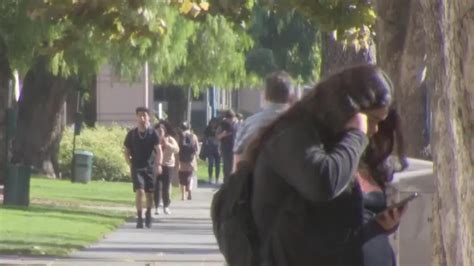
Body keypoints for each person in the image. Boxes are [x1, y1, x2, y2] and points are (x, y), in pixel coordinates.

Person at [243, 64, 409, 265]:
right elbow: (323, 182)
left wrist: (379, 225)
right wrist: (356, 134)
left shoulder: (348, 145)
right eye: (372, 119)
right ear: (349, 107)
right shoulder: (294, 136)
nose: (373, 129)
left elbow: (340, 222)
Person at [358, 107, 409, 266]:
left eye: (384, 127)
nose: (375, 130)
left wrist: (390, 224)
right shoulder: (338, 164)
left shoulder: (374, 168)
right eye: (373, 121)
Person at [233, 71, 292, 169]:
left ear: (265, 95)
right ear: (289, 95)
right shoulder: (302, 125)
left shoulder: (249, 124)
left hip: (256, 181)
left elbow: (237, 163)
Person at [124, 107, 163, 229]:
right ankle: (139, 217)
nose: (142, 118)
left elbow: (159, 151)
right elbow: (126, 151)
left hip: (150, 167)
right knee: (140, 191)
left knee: (149, 194)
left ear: (148, 118)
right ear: (136, 117)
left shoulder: (153, 134)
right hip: (136, 167)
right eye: (140, 116)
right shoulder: (132, 134)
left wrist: (159, 164)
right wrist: (129, 163)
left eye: (144, 116)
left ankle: (148, 213)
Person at [153, 120, 179, 215]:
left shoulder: (170, 139)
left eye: (162, 129)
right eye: (159, 129)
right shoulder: (154, 139)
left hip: (168, 165)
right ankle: (157, 206)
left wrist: (167, 144)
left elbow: (176, 150)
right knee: (157, 186)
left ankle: (166, 206)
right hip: (157, 165)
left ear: (166, 130)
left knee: (166, 186)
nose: (160, 131)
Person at [177, 122, 199, 200]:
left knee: (182, 177)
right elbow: (197, 149)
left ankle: (183, 196)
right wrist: (196, 156)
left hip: (181, 160)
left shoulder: (180, 136)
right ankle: (189, 190)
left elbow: (177, 148)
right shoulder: (194, 136)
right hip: (191, 160)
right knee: (190, 176)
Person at [217, 110, 239, 182]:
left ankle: (234, 181)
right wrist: (223, 135)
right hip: (226, 149)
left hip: (235, 148)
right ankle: (226, 182)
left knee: (235, 167)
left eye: (231, 119)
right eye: (228, 119)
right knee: (227, 167)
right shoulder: (222, 126)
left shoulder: (237, 125)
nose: (230, 121)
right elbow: (217, 136)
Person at [202, 118, 221, 183]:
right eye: (212, 123)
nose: (213, 124)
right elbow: (204, 137)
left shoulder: (219, 129)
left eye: (214, 123)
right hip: (210, 148)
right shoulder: (208, 129)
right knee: (211, 163)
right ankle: (210, 178)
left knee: (217, 164)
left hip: (217, 148)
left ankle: (217, 178)